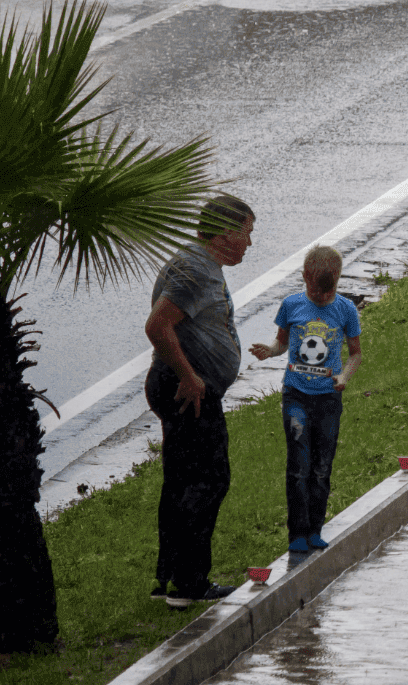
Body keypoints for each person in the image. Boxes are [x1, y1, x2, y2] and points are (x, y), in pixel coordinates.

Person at [143, 194, 253, 609]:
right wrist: (190, 376)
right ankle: (190, 582)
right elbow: (157, 326)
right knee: (209, 479)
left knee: (180, 480)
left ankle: (168, 579)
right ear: (225, 233)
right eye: (246, 233)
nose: (247, 242)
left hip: (179, 384)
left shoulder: (195, 262)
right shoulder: (196, 271)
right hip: (187, 389)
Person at [248, 246, 362, 553]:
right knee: (299, 464)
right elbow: (281, 342)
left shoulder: (346, 310)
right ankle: (296, 533)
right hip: (296, 395)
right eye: (316, 290)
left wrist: (344, 377)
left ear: (338, 279)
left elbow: (355, 353)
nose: (323, 297)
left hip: (328, 399)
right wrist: (270, 351)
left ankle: (315, 528)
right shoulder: (291, 305)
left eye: (329, 291)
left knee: (322, 467)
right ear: (305, 277)